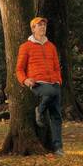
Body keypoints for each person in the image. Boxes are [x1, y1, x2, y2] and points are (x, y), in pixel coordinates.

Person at [16, 17, 65, 156]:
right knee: (50, 92)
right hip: (37, 83)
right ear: (33, 29)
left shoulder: (51, 46)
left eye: (44, 25)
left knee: (57, 116)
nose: (42, 27)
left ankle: (58, 147)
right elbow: (19, 69)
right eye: (39, 25)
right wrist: (25, 80)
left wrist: (59, 80)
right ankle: (40, 110)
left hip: (54, 83)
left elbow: (57, 67)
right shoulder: (25, 47)